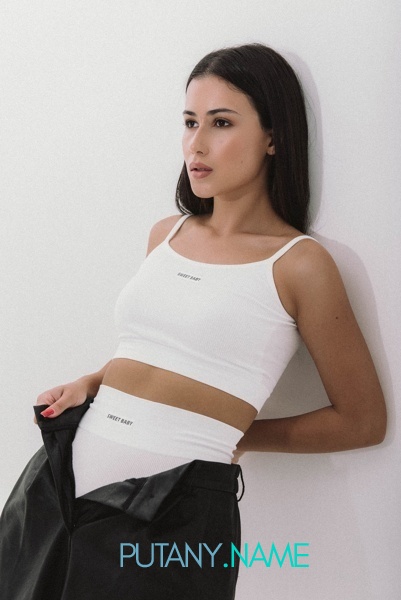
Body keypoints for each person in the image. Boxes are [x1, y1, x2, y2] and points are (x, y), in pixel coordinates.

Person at [0, 43, 386, 600]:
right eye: (189, 122)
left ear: (273, 137)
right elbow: (155, 351)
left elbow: (363, 420)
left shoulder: (300, 264)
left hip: (171, 516)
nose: (196, 145)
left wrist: (237, 436)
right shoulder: (167, 233)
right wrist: (92, 381)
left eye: (221, 123)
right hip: (57, 484)